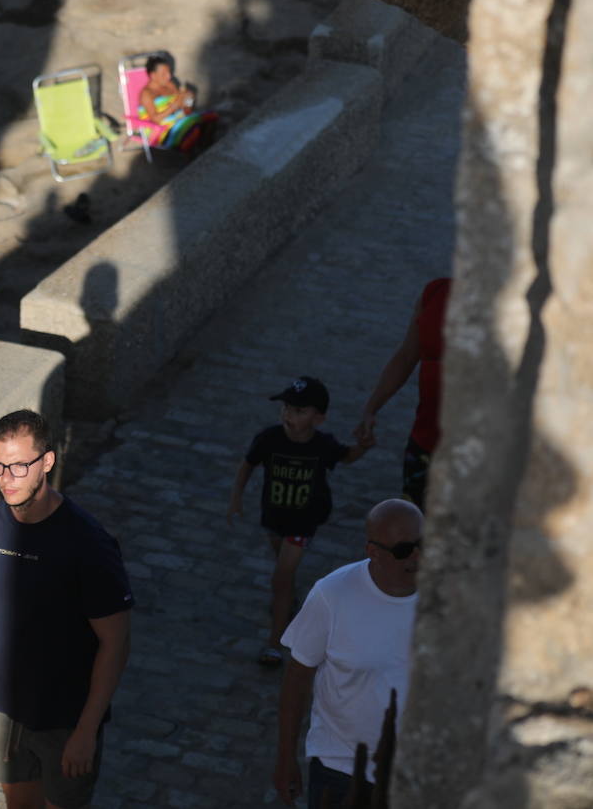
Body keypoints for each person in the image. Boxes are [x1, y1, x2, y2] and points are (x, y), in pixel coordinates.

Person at [0, 409, 132, 809]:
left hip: (66, 717)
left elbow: (115, 642)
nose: (6, 479)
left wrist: (86, 730)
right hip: (2, 709)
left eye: (19, 466)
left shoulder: (89, 544)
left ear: (47, 461)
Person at [273, 499, 423, 807]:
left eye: (425, 544)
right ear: (373, 552)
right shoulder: (333, 595)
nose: (418, 556)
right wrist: (285, 759)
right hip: (341, 769)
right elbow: (297, 678)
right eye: (404, 550)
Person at [227, 377, 373, 666]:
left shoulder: (322, 445)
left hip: (303, 521)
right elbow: (248, 465)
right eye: (286, 408)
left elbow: (346, 456)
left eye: (299, 411)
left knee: (281, 578)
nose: (288, 415)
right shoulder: (269, 438)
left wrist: (364, 446)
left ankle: (274, 643)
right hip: (273, 516)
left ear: (318, 418)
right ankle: (288, 596)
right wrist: (236, 497)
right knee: (283, 568)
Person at [354, 277, 452, 509]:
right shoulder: (436, 291)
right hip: (424, 443)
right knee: (414, 523)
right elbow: (406, 356)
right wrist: (371, 408)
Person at [137, 54, 218, 152]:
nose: (169, 76)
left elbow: (187, 110)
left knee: (212, 116)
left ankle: (200, 149)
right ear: (153, 76)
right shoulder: (147, 94)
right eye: (163, 74)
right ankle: (196, 151)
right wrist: (174, 107)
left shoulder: (170, 85)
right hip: (161, 131)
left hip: (179, 119)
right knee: (195, 128)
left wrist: (188, 99)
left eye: (169, 72)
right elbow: (155, 119)